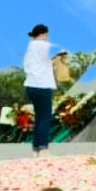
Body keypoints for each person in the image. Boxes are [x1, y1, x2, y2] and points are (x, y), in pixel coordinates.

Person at [22, 24, 60, 155]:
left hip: (31, 85)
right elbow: (60, 50)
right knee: (45, 117)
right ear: (43, 34)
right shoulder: (43, 45)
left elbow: (43, 61)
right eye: (47, 35)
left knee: (39, 117)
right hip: (42, 86)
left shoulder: (30, 47)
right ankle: (43, 147)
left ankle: (36, 147)